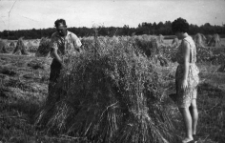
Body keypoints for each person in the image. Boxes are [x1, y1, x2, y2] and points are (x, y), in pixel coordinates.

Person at [171, 18, 200, 143]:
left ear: (179, 30)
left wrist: (184, 80)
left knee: (183, 106)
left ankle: (189, 137)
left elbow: (187, 61)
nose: (175, 35)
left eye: (175, 32)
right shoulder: (191, 40)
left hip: (187, 76)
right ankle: (193, 132)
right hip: (194, 74)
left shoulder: (185, 42)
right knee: (192, 104)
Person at [49, 19, 82, 101]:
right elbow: (54, 52)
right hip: (58, 60)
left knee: (70, 82)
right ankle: (51, 101)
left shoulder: (72, 36)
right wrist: (62, 63)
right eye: (57, 29)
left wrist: (81, 60)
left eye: (61, 28)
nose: (59, 31)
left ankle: (67, 100)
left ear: (65, 27)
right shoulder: (54, 36)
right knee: (53, 82)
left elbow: (80, 50)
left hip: (71, 61)